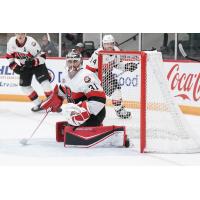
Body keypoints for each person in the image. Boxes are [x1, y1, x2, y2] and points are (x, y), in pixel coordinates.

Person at [41, 49, 106, 127]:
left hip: (94, 115)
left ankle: (94, 124)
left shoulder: (86, 76)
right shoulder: (65, 76)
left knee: (70, 110)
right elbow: (62, 92)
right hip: (76, 112)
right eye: (69, 61)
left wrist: (85, 112)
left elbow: (99, 100)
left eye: (75, 61)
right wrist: (54, 99)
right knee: (68, 111)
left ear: (81, 62)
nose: (72, 64)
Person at [86, 34, 137, 119]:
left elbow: (117, 64)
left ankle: (119, 110)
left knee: (116, 90)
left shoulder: (116, 50)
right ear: (103, 44)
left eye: (111, 43)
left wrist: (126, 66)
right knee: (94, 97)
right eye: (106, 44)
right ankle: (88, 110)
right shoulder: (98, 53)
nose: (109, 46)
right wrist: (92, 82)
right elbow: (89, 69)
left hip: (107, 75)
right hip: (95, 77)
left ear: (114, 43)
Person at [6, 33, 59, 112]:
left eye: (22, 34)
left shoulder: (31, 43)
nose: (20, 36)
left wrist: (34, 62)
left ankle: (53, 103)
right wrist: (15, 67)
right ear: (15, 34)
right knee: (24, 87)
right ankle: (39, 104)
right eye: (18, 34)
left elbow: (43, 57)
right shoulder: (11, 42)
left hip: (38, 65)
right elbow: (9, 56)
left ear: (25, 34)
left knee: (45, 83)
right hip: (25, 66)